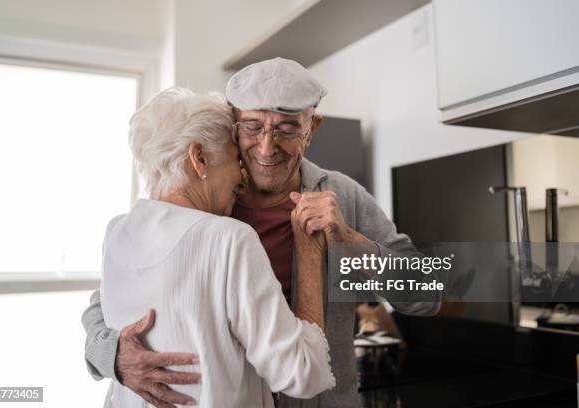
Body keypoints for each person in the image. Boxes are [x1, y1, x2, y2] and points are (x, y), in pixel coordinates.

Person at [82, 58, 441, 407]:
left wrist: (350, 243)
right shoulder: (199, 203)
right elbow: (108, 299)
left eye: (286, 129)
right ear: (234, 126)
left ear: (311, 129)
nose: (267, 147)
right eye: (253, 127)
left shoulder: (344, 196)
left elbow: (428, 296)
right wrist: (112, 354)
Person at [97, 87, 335, 407]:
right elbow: (303, 373)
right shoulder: (229, 238)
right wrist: (309, 251)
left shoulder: (116, 233)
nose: (242, 173)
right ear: (199, 158)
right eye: (236, 157)